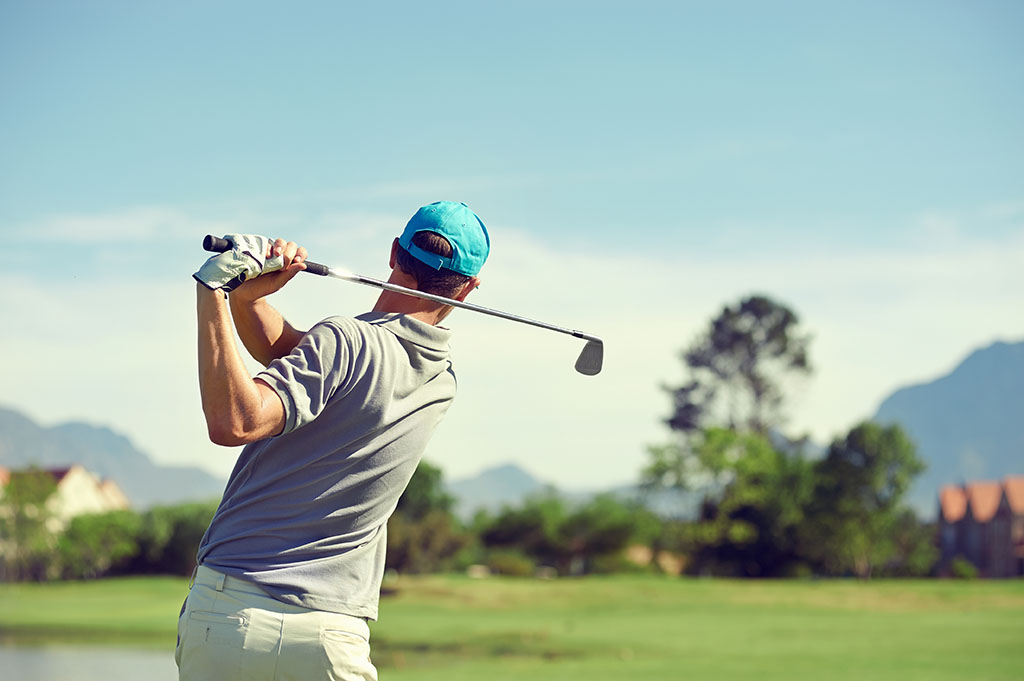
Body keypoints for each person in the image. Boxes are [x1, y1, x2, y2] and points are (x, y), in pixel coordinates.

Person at [178, 201, 490, 681]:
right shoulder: (441, 379)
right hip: (332, 636)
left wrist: (216, 291)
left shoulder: (345, 339)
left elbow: (235, 421)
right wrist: (250, 301)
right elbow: (301, 360)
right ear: (468, 289)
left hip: (232, 611)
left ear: (393, 253)